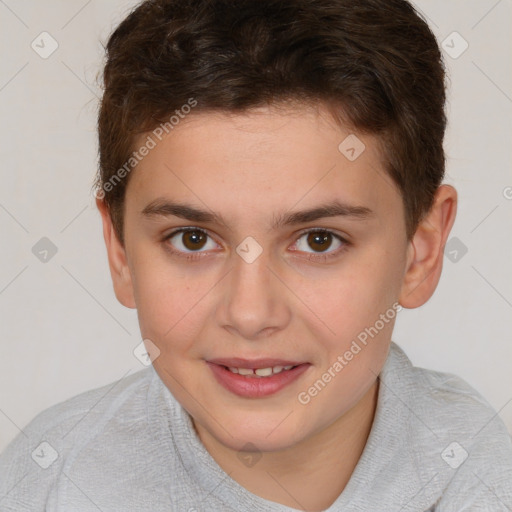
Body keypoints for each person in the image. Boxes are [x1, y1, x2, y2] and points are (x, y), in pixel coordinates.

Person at [1, 0, 511, 510]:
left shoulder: (484, 480)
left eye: (319, 240)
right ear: (119, 251)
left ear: (420, 252)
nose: (249, 314)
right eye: (193, 239)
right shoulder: (48, 482)